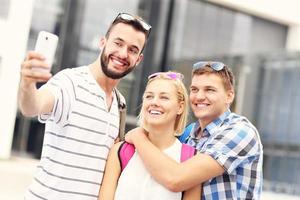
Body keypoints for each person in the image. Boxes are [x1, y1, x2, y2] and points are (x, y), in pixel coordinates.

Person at [18, 12, 151, 199]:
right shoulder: (70, 82)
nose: (123, 54)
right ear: (103, 42)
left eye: (132, 49)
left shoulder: (120, 103)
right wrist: (27, 84)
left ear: (138, 59)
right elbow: (32, 106)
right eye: (118, 43)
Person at [125, 62, 263, 199]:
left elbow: (176, 179)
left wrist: (138, 136)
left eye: (209, 90)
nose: (199, 96)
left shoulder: (240, 131)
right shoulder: (188, 135)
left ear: (229, 96)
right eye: (195, 89)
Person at [99, 71, 201, 200]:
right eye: (149, 96)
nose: (154, 102)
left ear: (180, 107)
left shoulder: (191, 159)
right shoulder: (121, 151)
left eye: (164, 97)